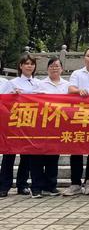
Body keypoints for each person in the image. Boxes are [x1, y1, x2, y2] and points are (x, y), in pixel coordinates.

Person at [64, 47, 89, 196]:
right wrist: (78, 91)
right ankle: (75, 183)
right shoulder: (77, 73)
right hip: (78, 116)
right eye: (88, 55)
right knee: (76, 148)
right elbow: (70, 88)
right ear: (84, 58)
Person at [0, 54, 39, 197]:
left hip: (30, 122)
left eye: (31, 64)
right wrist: (12, 94)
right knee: (9, 154)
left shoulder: (38, 83)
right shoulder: (12, 82)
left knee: (26, 155)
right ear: (20, 66)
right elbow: (3, 101)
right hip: (14, 122)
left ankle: (22, 184)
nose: (29, 66)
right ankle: (4, 185)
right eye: (26, 63)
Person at [30, 58, 69, 198]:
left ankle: (51, 185)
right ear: (47, 69)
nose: (54, 68)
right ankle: (36, 187)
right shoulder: (40, 84)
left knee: (53, 157)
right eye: (51, 66)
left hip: (57, 126)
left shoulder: (67, 85)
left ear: (62, 69)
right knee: (37, 157)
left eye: (57, 66)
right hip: (41, 126)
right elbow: (30, 101)